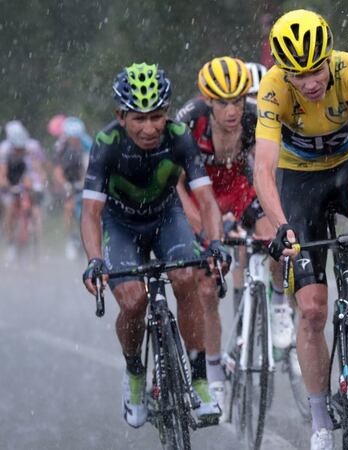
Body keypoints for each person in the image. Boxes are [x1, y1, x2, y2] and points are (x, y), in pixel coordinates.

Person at [253, 10, 348, 450]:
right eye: (297, 75)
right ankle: (320, 418)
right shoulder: (272, 88)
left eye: (315, 69)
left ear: (330, 58)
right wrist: (282, 226)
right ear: (284, 72)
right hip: (298, 179)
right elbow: (264, 169)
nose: (309, 82)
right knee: (312, 310)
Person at [80, 62, 230, 428]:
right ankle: (134, 374)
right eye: (138, 118)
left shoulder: (179, 137)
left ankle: (198, 378)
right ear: (121, 115)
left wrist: (215, 243)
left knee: (186, 278)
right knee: (133, 301)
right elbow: (90, 213)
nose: (149, 128)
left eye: (157, 117)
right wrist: (95, 259)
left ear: (166, 113)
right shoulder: (107, 144)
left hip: (166, 217)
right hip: (121, 224)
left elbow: (206, 201)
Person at [175, 56, 286, 410]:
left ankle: (279, 301)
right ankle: (213, 371)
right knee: (207, 287)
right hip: (198, 192)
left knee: (278, 239)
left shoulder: (254, 115)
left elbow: (263, 170)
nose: (232, 109)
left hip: (238, 187)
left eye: (237, 100)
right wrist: (208, 229)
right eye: (223, 102)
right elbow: (177, 186)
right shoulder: (189, 121)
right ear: (208, 100)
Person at [0, 120, 47, 261]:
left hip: (27, 182)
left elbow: (37, 169)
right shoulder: (4, 150)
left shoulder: (32, 147)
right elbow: (2, 174)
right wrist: (6, 185)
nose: (20, 150)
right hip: (10, 182)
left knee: (36, 213)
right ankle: (11, 244)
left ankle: (38, 247)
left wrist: (41, 181)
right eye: (17, 148)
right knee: (9, 210)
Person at [52, 116, 92, 260]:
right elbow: (57, 170)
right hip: (67, 178)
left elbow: (90, 165)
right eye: (73, 138)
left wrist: (86, 181)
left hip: (82, 176)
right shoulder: (60, 146)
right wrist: (65, 185)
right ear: (67, 136)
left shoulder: (87, 143)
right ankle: (70, 239)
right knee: (69, 207)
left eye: (78, 138)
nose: (76, 141)